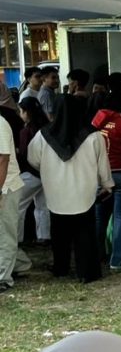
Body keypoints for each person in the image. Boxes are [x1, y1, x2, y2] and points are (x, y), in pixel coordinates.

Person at [27, 95, 113, 282]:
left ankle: (61, 267)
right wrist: (107, 184)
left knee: (59, 232)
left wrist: (49, 170)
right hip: (84, 191)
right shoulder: (93, 135)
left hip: (55, 190)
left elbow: (32, 159)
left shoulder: (43, 135)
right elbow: (102, 164)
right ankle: (87, 272)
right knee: (84, 232)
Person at [91, 94, 121, 272]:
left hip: (100, 175)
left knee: (100, 217)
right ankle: (119, 258)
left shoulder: (95, 122)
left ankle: (96, 255)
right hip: (120, 174)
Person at [15, 97, 49, 245]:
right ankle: (44, 236)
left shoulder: (26, 131)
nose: (20, 114)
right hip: (47, 174)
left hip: (31, 173)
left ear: (26, 112)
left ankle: (16, 238)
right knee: (42, 206)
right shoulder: (47, 127)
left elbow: (24, 155)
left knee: (17, 204)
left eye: (21, 111)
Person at [0, 113, 25, 292]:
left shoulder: (0, 124)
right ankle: (21, 264)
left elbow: (3, 159)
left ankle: (3, 278)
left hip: (6, 186)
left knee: (5, 233)